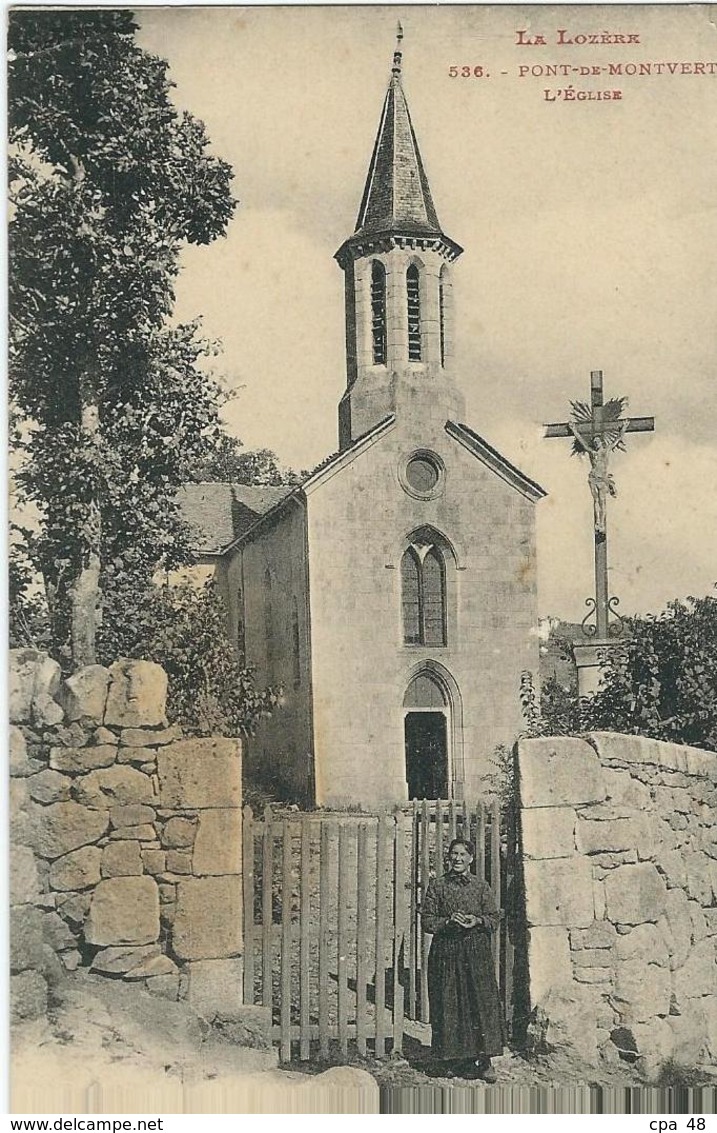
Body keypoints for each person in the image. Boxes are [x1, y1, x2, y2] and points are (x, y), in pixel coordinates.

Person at [420, 838, 504, 1081]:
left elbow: (493, 918)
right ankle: (451, 1060)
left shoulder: (481, 886)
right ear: (448, 857)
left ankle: (485, 1061)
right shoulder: (437, 886)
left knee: (480, 1003)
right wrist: (448, 921)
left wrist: (477, 920)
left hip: (476, 953)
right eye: (453, 854)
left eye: (462, 854)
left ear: (471, 859)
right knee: (448, 1003)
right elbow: (427, 920)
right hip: (446, 953)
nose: (457, 858)